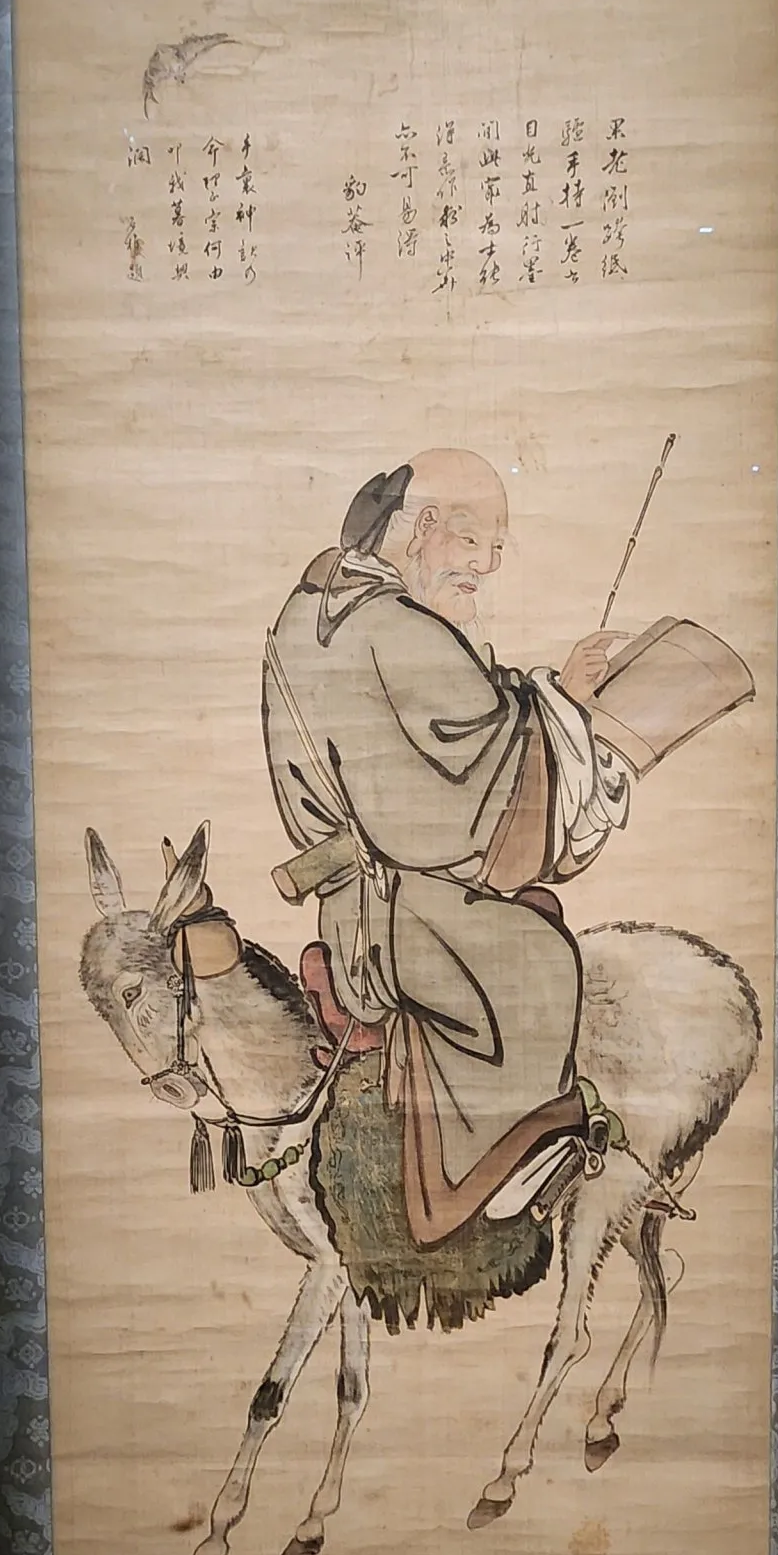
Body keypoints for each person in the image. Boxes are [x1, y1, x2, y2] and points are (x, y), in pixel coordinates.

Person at [263, 448, 631, 1245]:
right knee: (541, 956)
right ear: (424, 526)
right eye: (473, 545)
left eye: (493, 552)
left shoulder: (309, 612)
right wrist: (567, 704)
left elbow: (454, 730)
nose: (483, 569)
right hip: (402, 916)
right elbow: (482, 779)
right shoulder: (399, 628)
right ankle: (477, 1180)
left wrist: (536, 697)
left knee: (531, 919)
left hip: (351, 912)